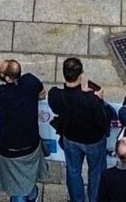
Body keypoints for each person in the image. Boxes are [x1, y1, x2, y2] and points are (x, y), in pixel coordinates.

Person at [48, 58, 113, 202]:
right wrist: (100, 100)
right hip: (93, 141)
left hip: (70, 138)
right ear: (81, 75)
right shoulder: (91, 100)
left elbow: (56, 109)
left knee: (73, 171)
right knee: (96, 173)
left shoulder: (55, 94)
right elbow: (104, 121)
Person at [0, 59, 47, 202]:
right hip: (31, 145)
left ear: (7, 78)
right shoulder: (30, 81)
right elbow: (42, 94)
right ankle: (32, 195)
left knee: (16, 189)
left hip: (8, 150)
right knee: (29, 176)